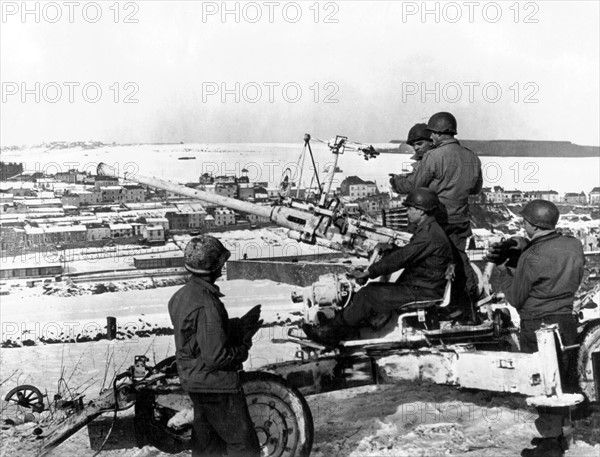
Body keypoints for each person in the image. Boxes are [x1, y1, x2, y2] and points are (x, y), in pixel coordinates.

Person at [303, 188, 454, 347]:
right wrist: (391, 249)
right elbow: (410, 254)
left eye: (410, 209)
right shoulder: (429, 230)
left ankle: (331, 334)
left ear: (421, 211)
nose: (407, 213)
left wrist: (369, 272)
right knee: (370, 291)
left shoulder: (428, 234)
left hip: (424, 291)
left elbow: (400, 259)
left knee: (368, 295)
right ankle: (340, 325)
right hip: (421, 286)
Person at [168, 235, 262, 457]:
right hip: (216, 387)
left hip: (195, 381)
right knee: (244, 447)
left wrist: (237, 325)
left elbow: (196, 336)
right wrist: (243, 346)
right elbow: (215, 356)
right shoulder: (207, 302)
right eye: (220, 263)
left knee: (208, 448)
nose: (222, 267)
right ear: (212, 267)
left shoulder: (181, 296)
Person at [400, 112, 483, 303]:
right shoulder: (472, 157)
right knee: (460, 260)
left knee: (431, 261)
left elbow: (416, 186)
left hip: (438, 220)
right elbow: (476, 189)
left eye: (432, 134)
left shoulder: (433, 156)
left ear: (437, 133)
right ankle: (467, 301)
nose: (431, 137)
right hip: (461, 219)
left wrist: (397, 183)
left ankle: (432, 302)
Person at [488, 200, 585, 354]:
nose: (523, 226)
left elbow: (515, 298)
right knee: (567, 373)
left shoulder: (529, 257)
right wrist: (527, 244)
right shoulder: (575, 245)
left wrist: (503, 270)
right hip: (566, 323)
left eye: (525, 222)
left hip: (537, 327)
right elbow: (550, 254)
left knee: (541, 375)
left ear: (533, 225)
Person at [389, 123, 433, 192]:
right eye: (413, 145)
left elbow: (413, 186)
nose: (416, 148)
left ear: (431, 142)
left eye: (420, 144)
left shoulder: (432, 160)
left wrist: (396, 182)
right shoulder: (423, 160)